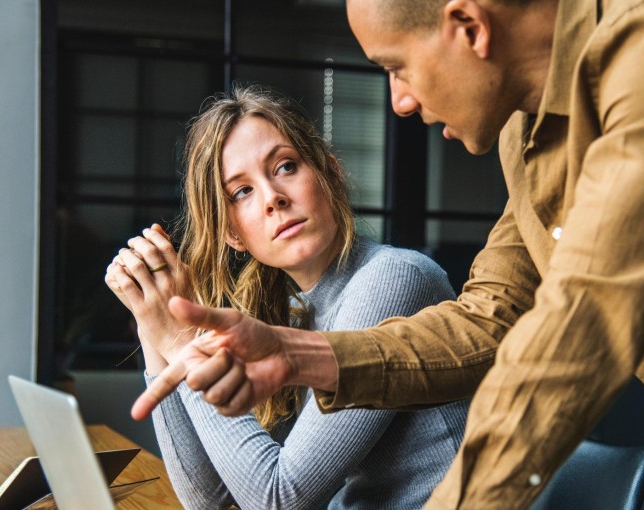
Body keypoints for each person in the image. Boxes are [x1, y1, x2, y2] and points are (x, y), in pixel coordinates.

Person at [134, 0, 644, 508]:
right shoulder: (526, 134)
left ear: (468, 25)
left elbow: (582, 325)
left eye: (396, 66)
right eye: (241, 193)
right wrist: (296, 352)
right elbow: (490, 319)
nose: (400, 101)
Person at [107, 85, 469, 509]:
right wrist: (153, 318)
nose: (272, 198)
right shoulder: (294, 316)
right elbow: (209, 500)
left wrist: (181, 342)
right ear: (232, 234)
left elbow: (278, 500)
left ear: (331, 174)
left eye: (285, 166)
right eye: (242, 192)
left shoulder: (393, 279)